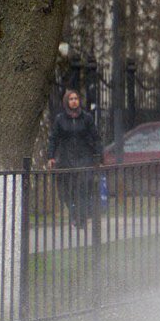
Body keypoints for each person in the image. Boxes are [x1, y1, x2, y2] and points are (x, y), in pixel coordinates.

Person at [47, 89, 102, 228]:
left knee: (83, 190)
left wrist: (98, 157)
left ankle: (81, 219)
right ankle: (74, 214)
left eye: (76, 98)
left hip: (84, 159)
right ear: (67, 101)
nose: (74, 101)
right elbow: (53, 138)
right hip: (66, 160)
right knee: (67, 192)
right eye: (71, 99)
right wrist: (51, 156)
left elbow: (96, 138)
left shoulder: (87, 118)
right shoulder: (60, 119)